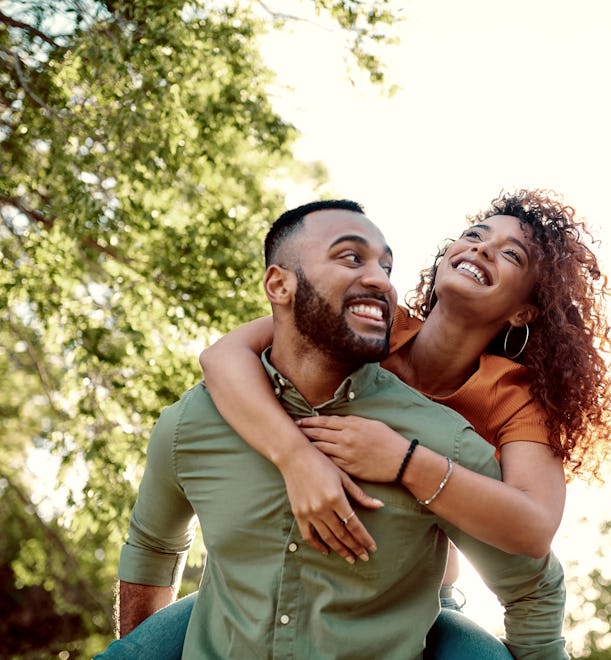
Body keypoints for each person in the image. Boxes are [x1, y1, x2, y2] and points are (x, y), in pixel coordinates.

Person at [100, 199, 569, 659]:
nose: (483, 249)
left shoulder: (512, 398)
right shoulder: (368, 323)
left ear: (523, 312)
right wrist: (296, 458)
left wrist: (404, 461)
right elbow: (223, 357)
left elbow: (532, 534)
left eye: (511, 254)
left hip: (408, 596)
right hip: (251, 595)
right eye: (474, 235)